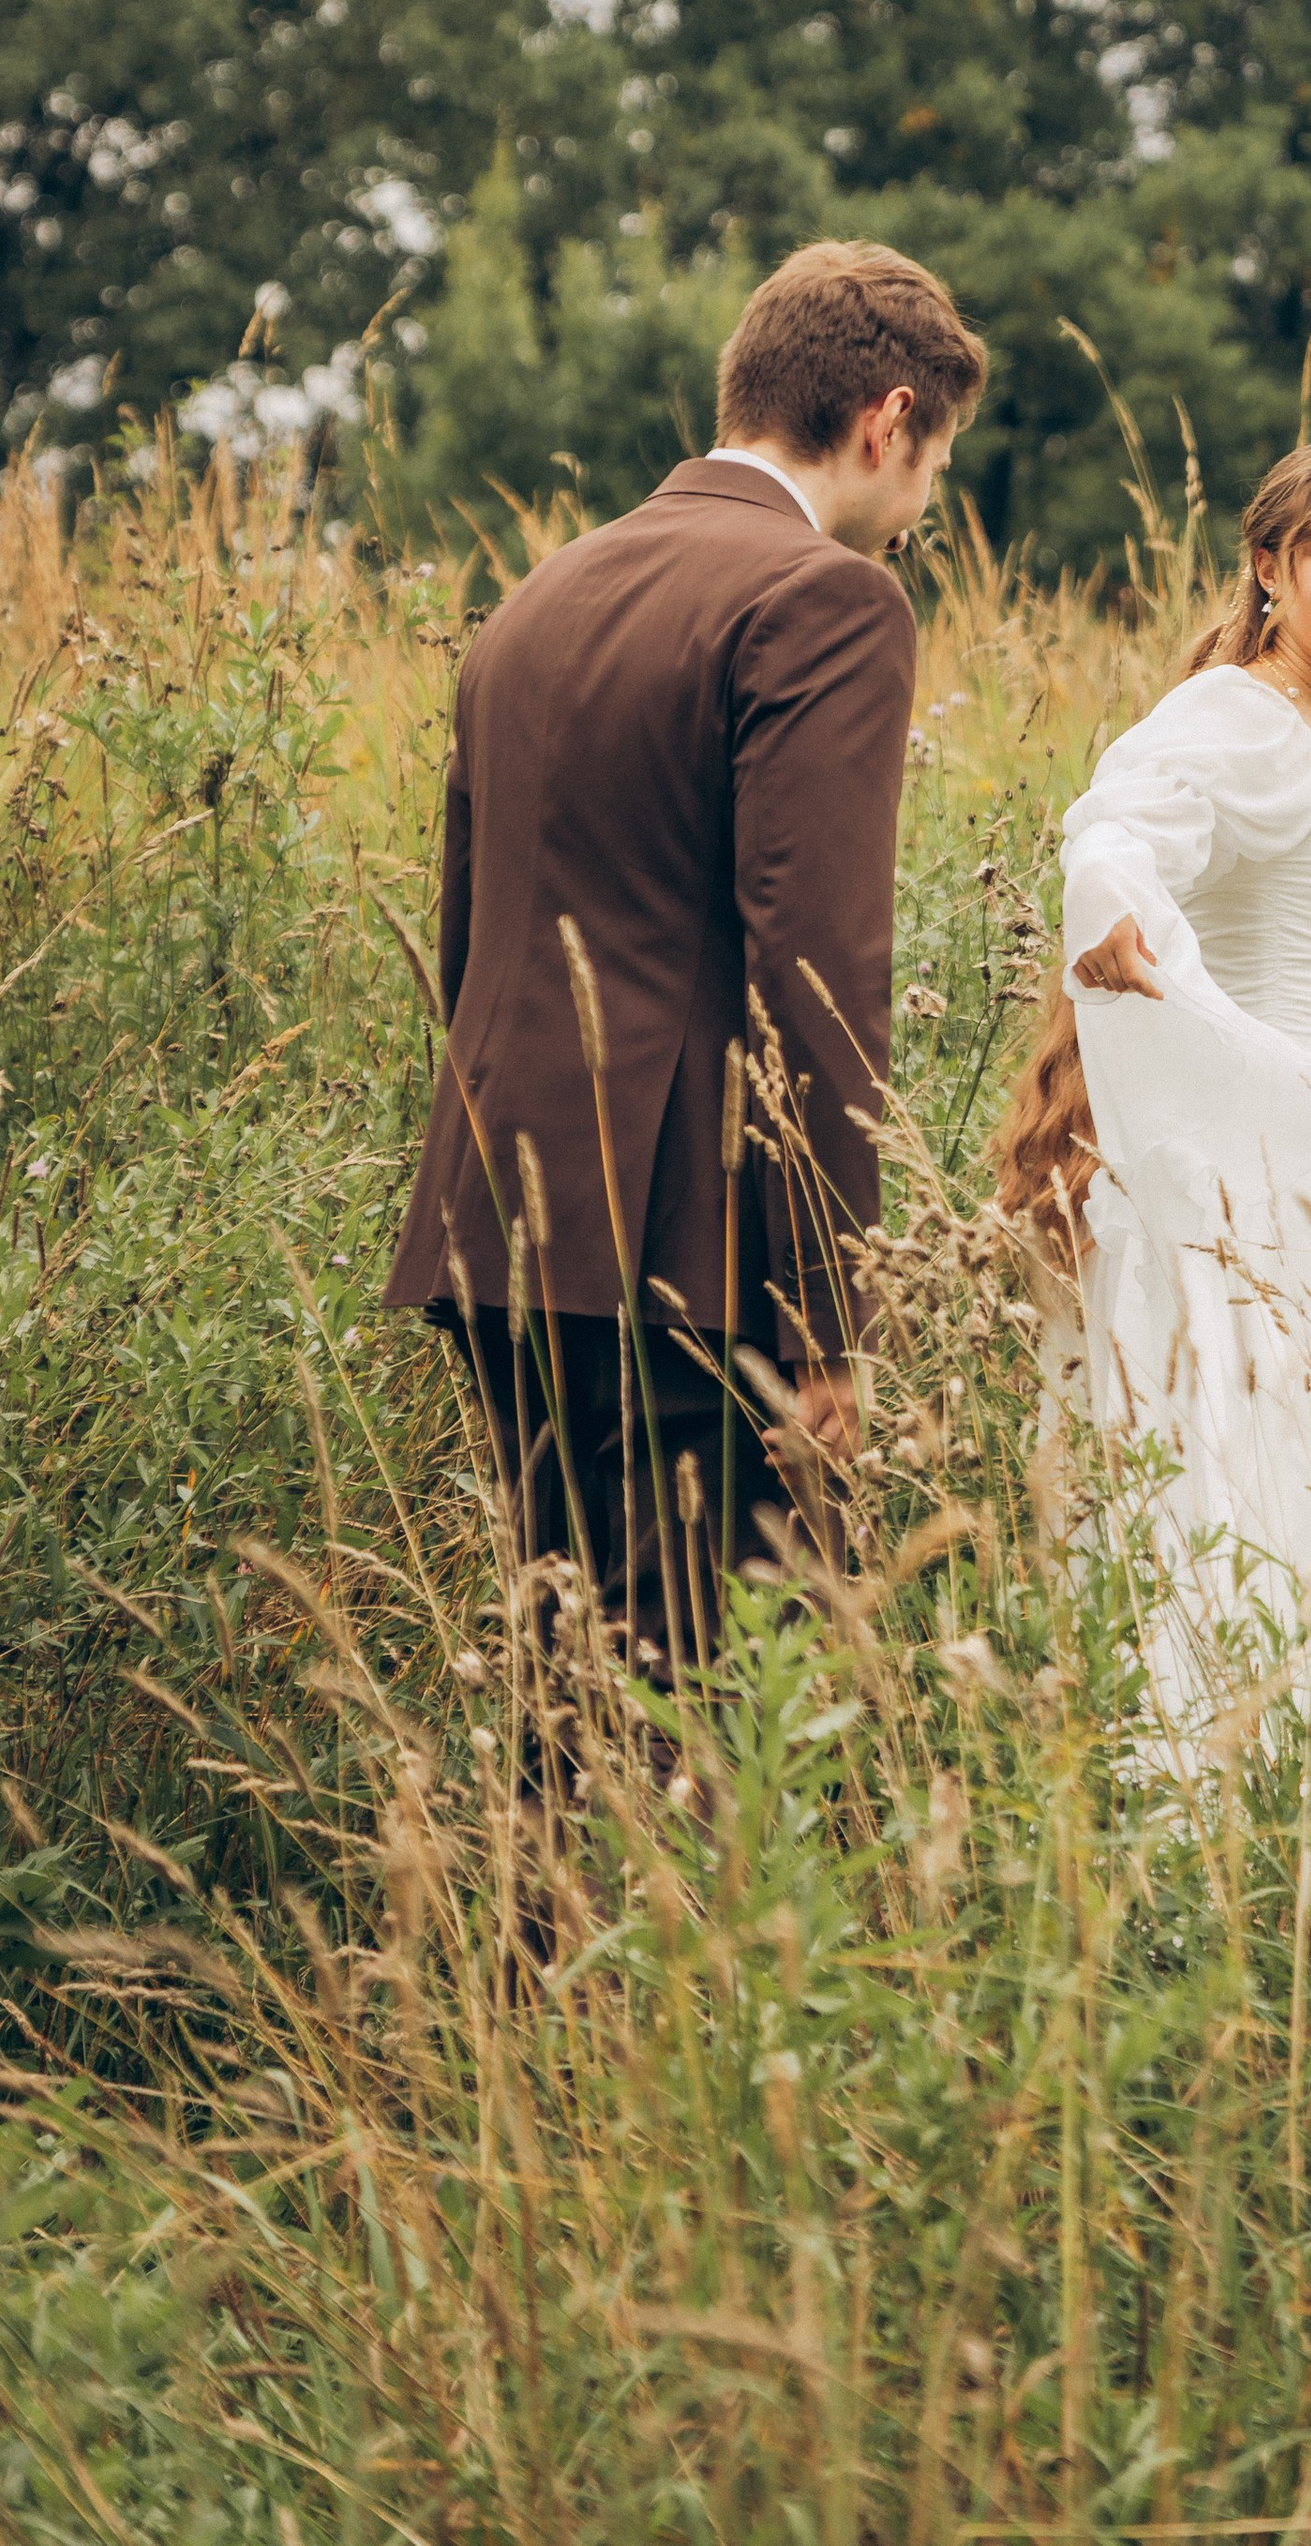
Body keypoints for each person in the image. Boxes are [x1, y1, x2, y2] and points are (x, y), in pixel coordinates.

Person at [386, 238, 985, 1670]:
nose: (922, 509)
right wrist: (833, 1312)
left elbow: (474, 942)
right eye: (935, 464)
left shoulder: (537, 601)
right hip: (692, 1251)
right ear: (887, 420)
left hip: (502, 1230)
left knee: (569, 1679)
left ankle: (525, 1908)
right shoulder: (828, 600)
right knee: (710, 1703)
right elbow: (820, 969)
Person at [994, 444, 1311, 1744]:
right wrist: (1118, 908)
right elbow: (1124, 820)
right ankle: (1235, 1805)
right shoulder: (1239, 716)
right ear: (1269, 567)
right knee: (1255, 1494)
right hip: (1267, 1190)